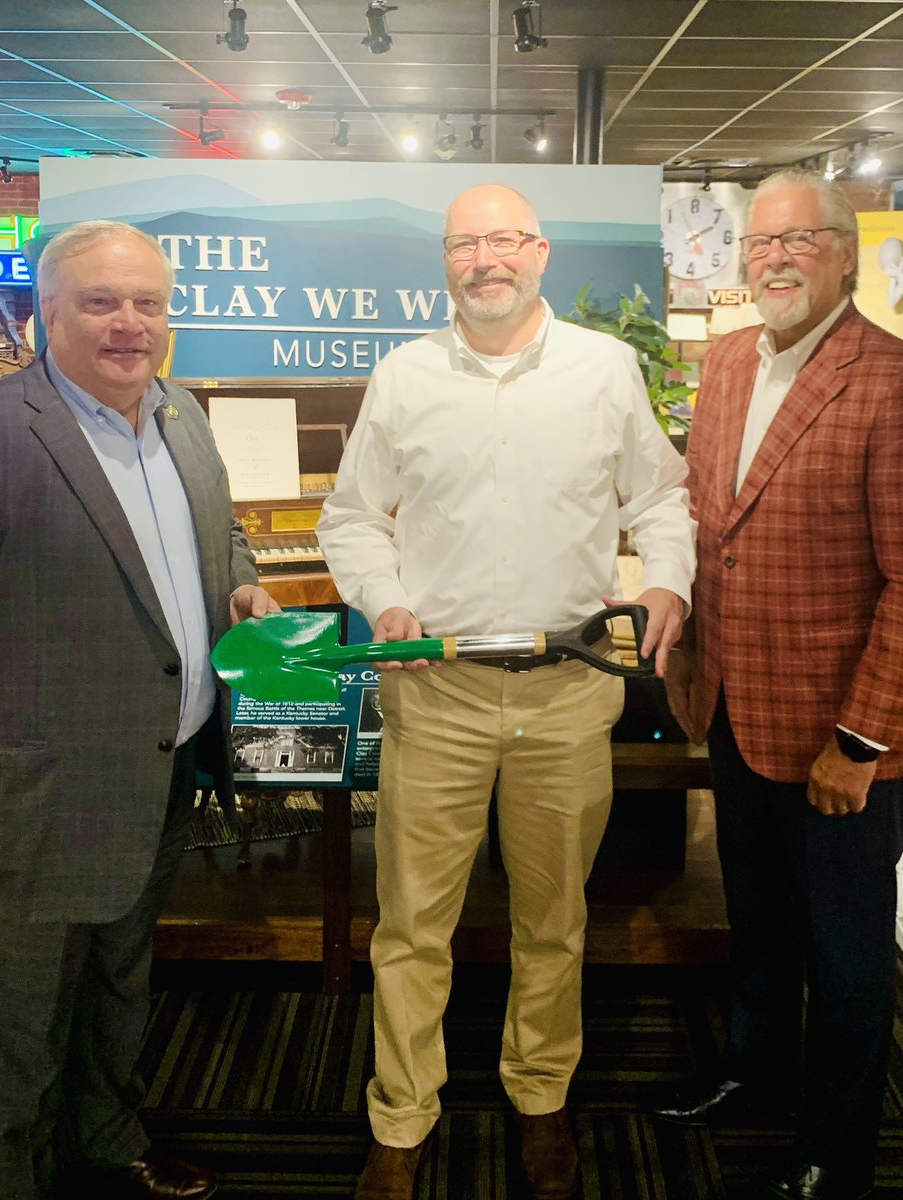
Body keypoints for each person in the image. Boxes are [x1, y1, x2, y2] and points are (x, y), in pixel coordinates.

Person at [0, 220, 279, 1200]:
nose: (129, 324)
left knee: (118, 989)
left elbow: (216, 535)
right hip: (23, 805)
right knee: (6, 1026)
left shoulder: (181, 413)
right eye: (100, 302)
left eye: (149, 303)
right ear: (45, 312)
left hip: (160, 767)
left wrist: (244, 587)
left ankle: (108, 1145)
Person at [317, 183, 696, 1200]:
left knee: (554, 915)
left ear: (540, 252)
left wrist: (666, 578)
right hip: (434, 693)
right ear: (446, 260)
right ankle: (401, 1116)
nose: (483, 259)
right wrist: (386, 602)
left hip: (568, 693)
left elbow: (661, 497)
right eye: (462, 244)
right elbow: (353, 519)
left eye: (502, 240)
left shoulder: (604, 370)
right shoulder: (403, 377)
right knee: (411, 923)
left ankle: (541, 1100)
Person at [652, 167, 903, 1200]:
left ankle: (838, 1142)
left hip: (845, 743)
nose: (776, 258)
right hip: (742, 710)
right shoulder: (730, 361)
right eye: (760, 243)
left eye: (800, 240)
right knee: (761, 923)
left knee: (846, 954)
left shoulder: (898, 382)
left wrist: (864, 744)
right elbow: (711, 525)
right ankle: (754, 1075)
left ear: (844, 252)